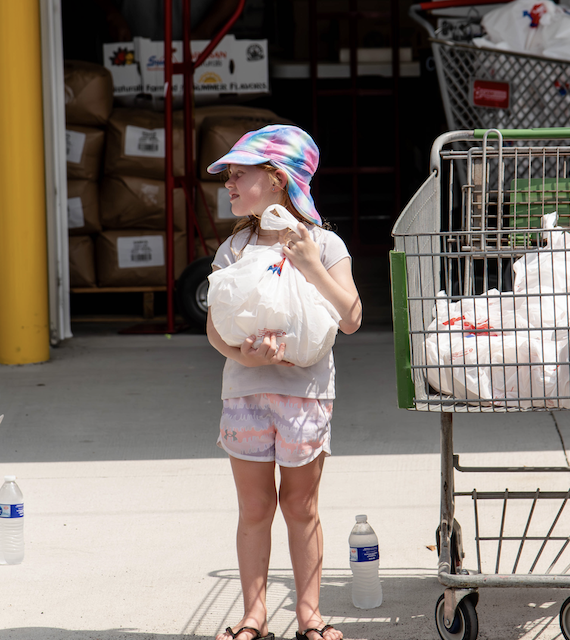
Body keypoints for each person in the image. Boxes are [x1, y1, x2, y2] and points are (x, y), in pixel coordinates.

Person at [206, 125, 361, 640]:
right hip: (245, 393)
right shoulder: (235, 248)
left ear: (276, 180)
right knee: (254, 508)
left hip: (306, 397)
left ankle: (309, 616)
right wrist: (243, 356)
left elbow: (352, 317)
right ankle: (254, 616)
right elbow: (215, 332)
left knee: (301, 506)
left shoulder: (324, 243)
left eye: (238, 174)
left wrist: (312, 266)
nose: (228, 184)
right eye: (228, 176)